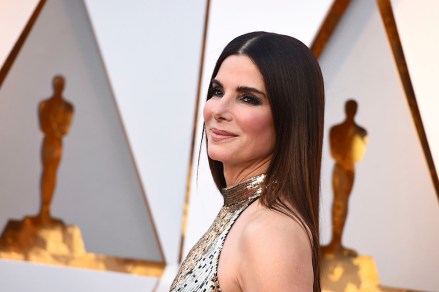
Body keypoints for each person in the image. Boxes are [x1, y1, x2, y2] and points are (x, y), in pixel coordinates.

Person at [171, 31, 324, 292]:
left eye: (248, 98)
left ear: (290, 119)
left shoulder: (269, 233)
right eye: (217, 91)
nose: (218, 110)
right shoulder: (241, 214)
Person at [322, 99, 368, 257]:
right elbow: (334, 152)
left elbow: (359, 155)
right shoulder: (336, 130)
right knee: (338, 202)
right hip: (341, 169)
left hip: (348, 170)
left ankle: (337, 242)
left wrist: (348, 161)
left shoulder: (361, 132)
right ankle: (335, 242)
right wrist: (346, 160)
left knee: (343, 202)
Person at [38, 75, 74, 222]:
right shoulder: (44, 105)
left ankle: (47, 208)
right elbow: (43, 125)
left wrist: (57, 130)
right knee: (47, 172)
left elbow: (66, 128)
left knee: (52, 173)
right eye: (57, 84)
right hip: (49, 142)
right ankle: (43, 209)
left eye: (61, 84)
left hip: (57, 143)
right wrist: (52, 129)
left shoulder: (68, 107)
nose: (59, 86)